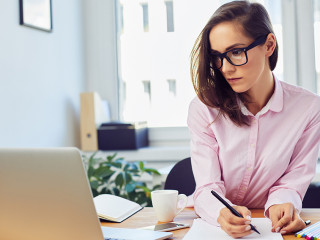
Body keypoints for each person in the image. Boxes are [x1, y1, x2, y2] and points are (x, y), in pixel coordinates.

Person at [188, 0, 320, 238]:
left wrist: (283, 204)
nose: (225, 68)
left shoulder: (309, 108)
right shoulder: (204, 109)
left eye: (236, 52)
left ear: (268, 45)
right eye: (217, 57)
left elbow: (294, 179)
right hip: (214, 230)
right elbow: (207, 187)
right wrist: (220, 213)